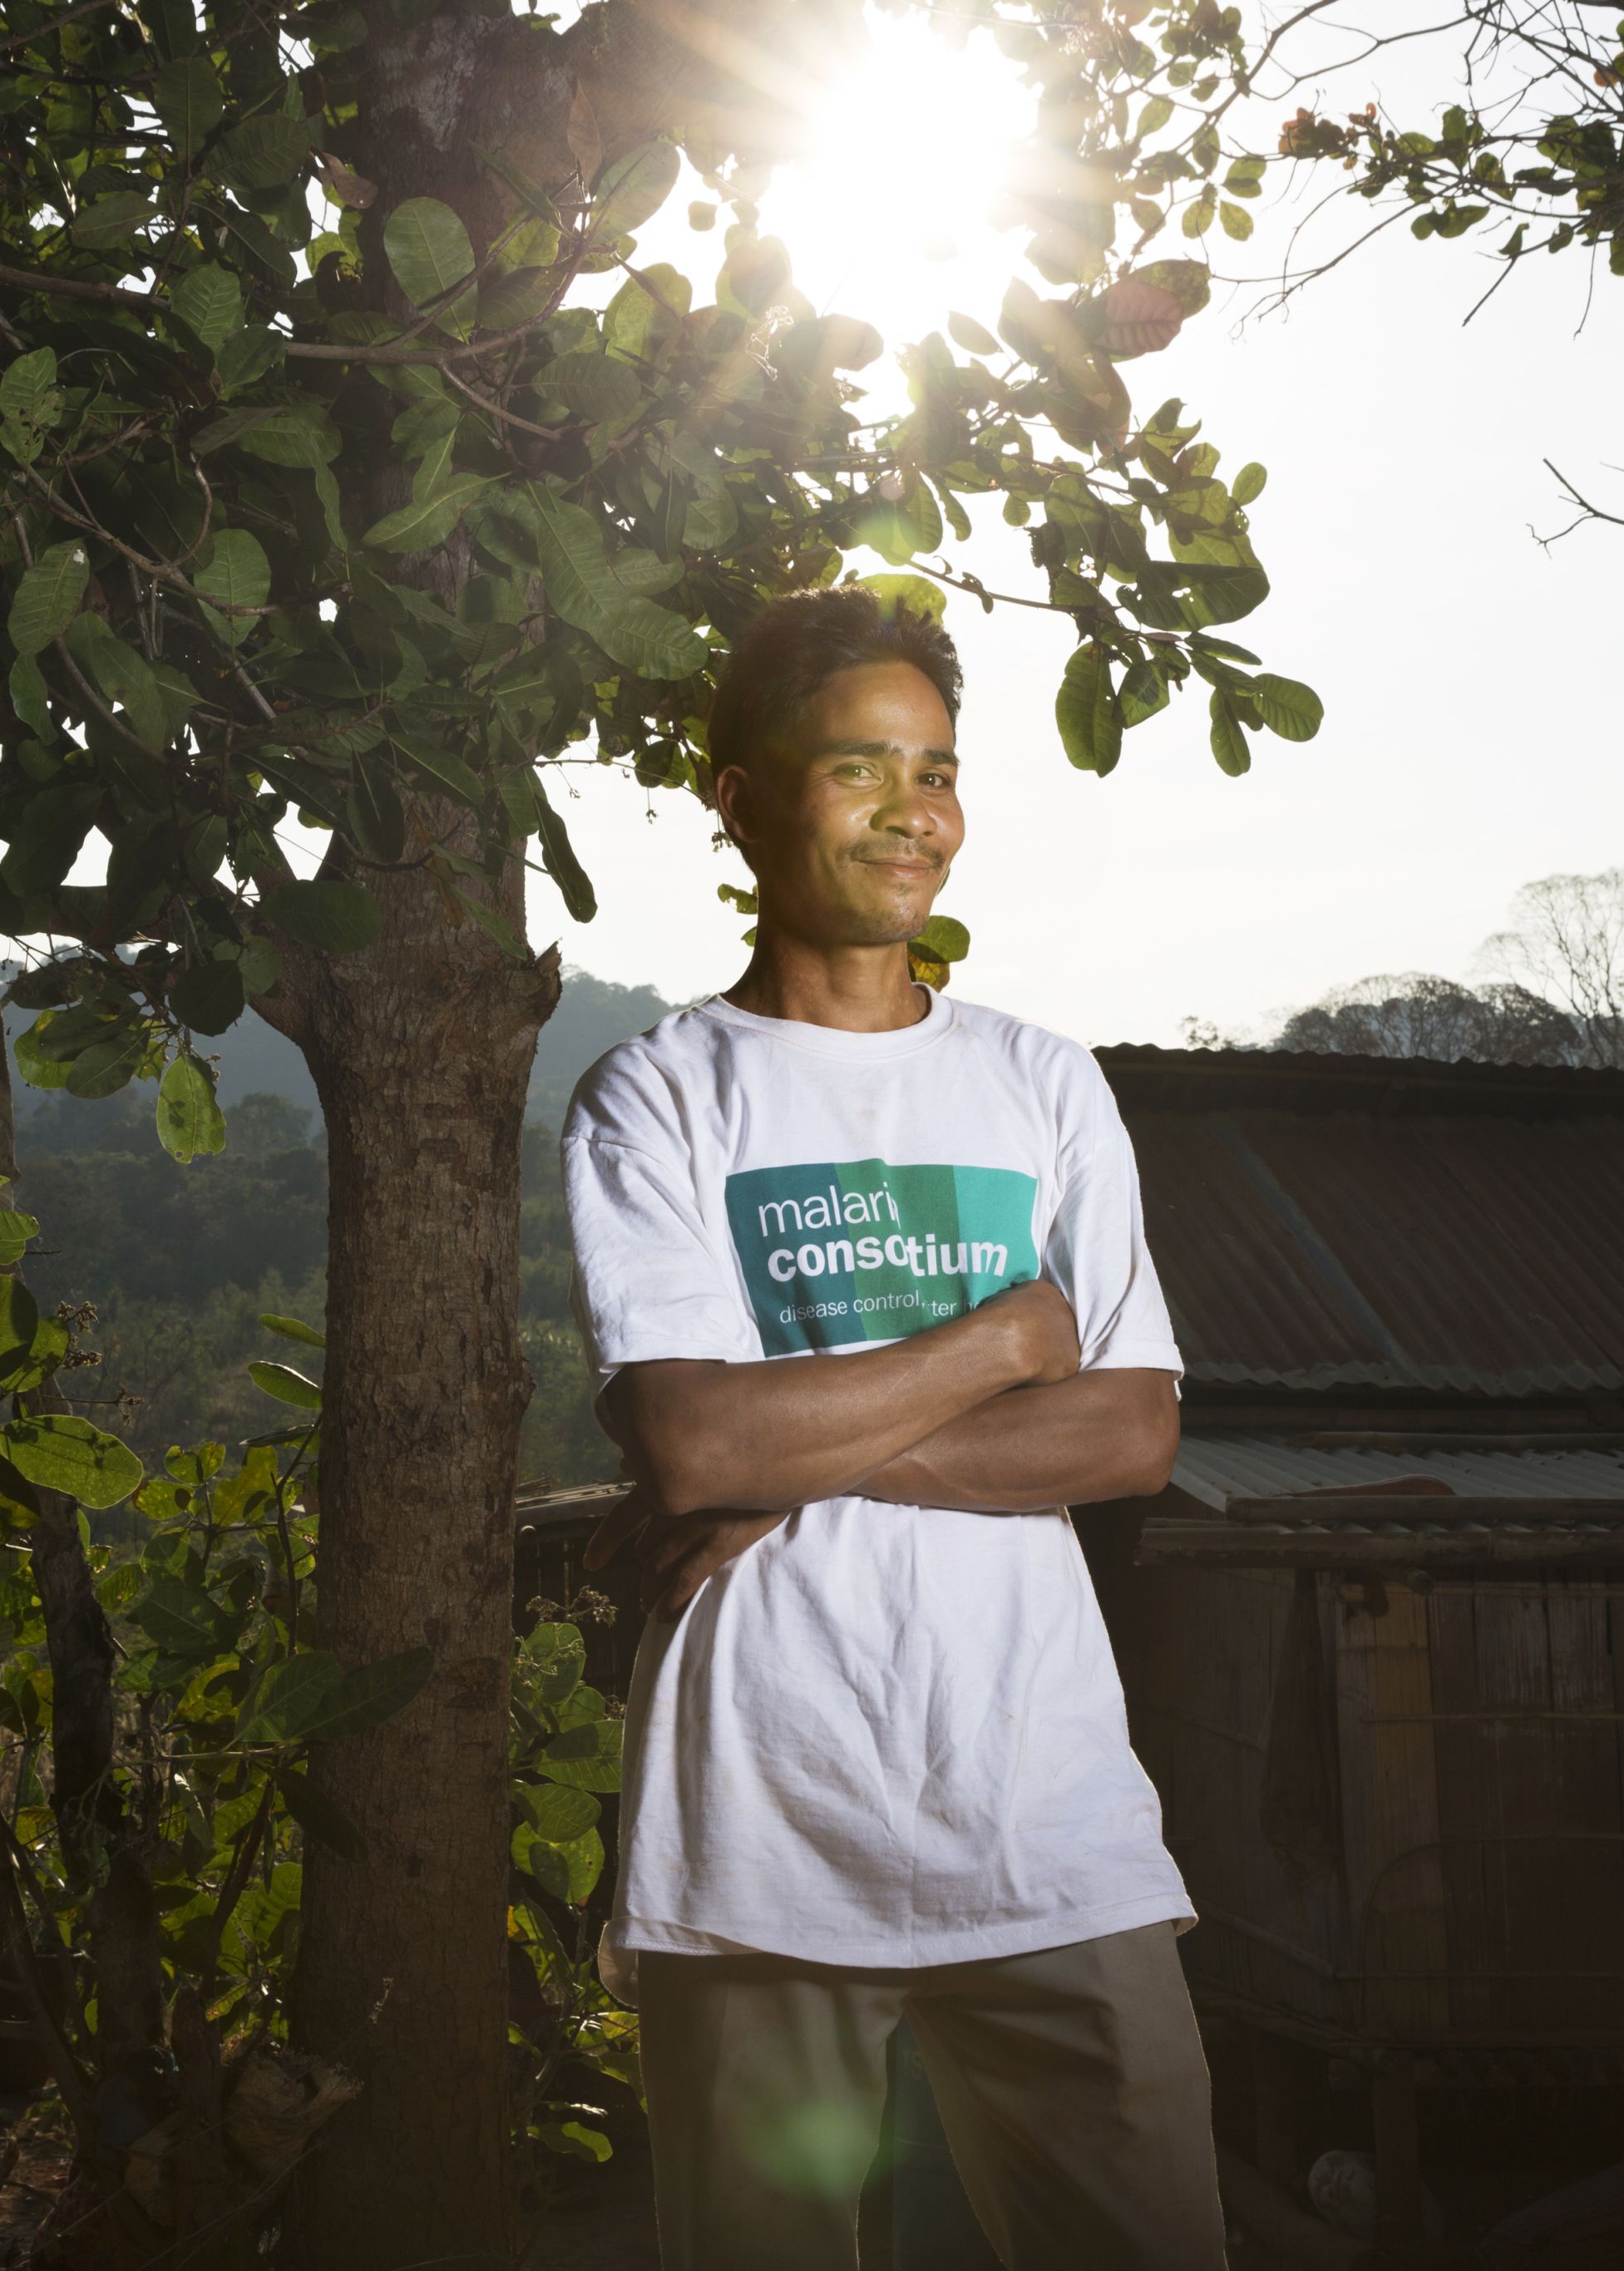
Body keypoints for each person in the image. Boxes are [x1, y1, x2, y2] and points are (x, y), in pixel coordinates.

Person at [561, 587, 1228, 2270]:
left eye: (935, 768)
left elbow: (1130, 1429)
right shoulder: (660, 1091)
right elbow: (697, 1444)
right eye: (859, 766)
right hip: (757, 1827)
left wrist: (790, 1441)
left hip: (1047, 1818)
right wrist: (1004, 1338)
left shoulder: (1040, 1082)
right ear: (740, 792)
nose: (913, 809)